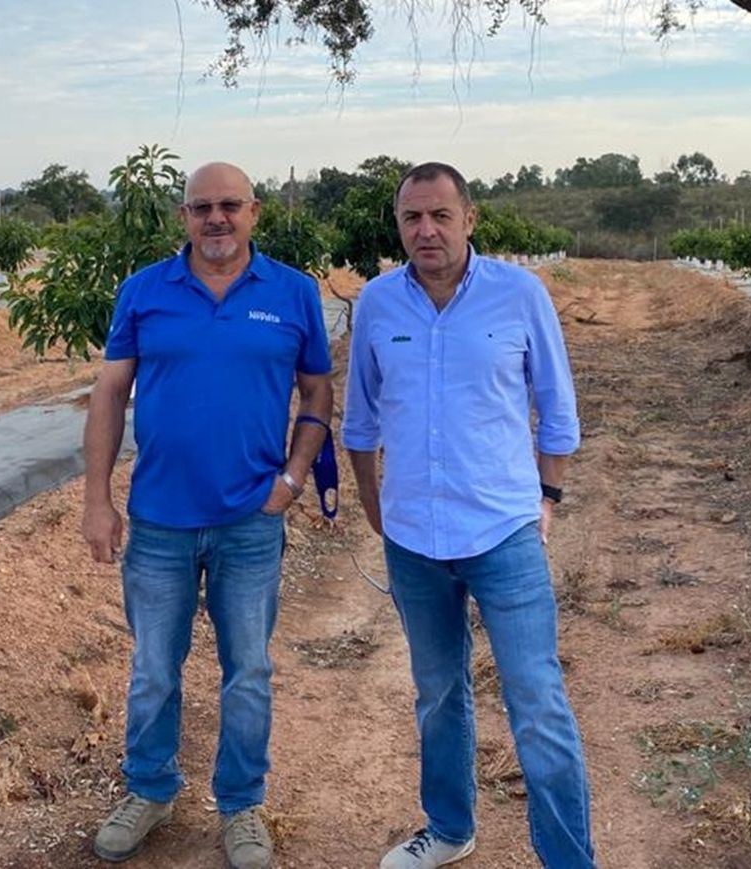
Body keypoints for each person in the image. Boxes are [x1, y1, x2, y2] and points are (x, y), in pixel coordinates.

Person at [342, 162, 595, 869]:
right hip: (414, 540)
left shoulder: (520, 295)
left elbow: (558, 409)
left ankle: (570, 859)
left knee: (538, 702)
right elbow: (360, 421)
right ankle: (450, 826)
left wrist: (547, 498)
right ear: (398, 227)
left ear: (470, 218)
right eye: (411, 218)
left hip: (503, 532)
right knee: (437, 690)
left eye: (439, 216)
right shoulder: (377, 304)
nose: (425, 230)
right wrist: (375, 506)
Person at [81, 161, 334, 868]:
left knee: (247, 668)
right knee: (155, 667)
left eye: (229, 205)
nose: (216, 219)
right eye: (201, 208)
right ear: (183, 216)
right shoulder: (144, 291)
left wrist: (291, 478)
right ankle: (150, 788)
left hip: (250, 521)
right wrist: (97, 498)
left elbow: (317, 392)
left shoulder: (292, 293)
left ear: (254, 211)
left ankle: (243, 804)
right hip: (158, 520)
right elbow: (108, 396)